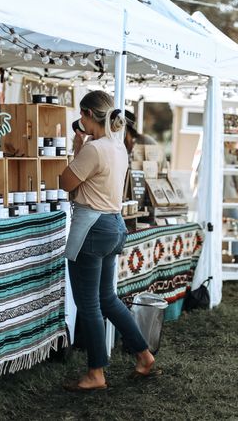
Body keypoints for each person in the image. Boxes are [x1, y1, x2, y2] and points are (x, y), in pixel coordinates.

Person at [60, 90, 158, 392]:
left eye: (82, 115)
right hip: (114, 225)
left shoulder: (94, 149)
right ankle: (144, 355)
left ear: (90, 114)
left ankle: (96, 372)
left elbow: (65, 182)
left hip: (92, 227)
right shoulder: (118, 148)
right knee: (107, 299)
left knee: (87, 303)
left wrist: (78, 147)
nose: (81, 122)